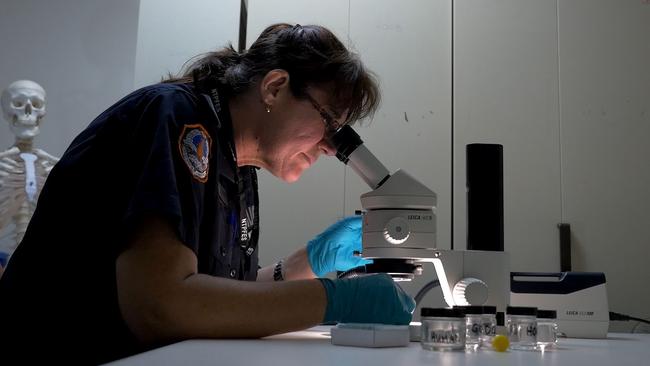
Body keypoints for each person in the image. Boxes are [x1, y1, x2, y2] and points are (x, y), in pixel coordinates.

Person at [0, 23, 415, 364]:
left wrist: (310, 260)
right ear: (274, 87)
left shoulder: (236, 165)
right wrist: (335, 299)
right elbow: (160, 305)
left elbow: (215, 295)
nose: (329, 147)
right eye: (329, 123)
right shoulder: (174, 118)